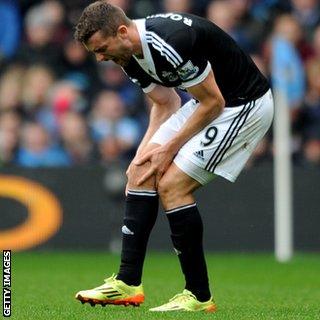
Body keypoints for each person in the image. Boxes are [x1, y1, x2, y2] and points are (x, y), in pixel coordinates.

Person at [74, 1, 274, 312]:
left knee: (173, 186)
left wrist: (168, 147)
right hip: (206, 102)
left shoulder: (168, 41)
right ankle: (127, 283)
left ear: (122, 31)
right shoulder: (127, 54)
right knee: (140, 172)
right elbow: (165, 103)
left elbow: (213, 102)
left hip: (243, 105)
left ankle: (198, 296)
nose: (100, 58)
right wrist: (144, 152)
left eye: (102, 48)